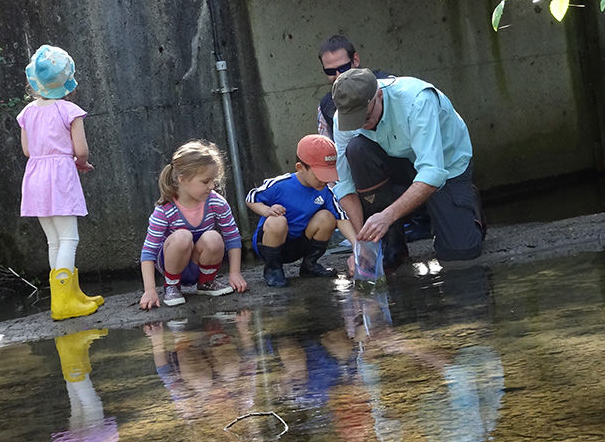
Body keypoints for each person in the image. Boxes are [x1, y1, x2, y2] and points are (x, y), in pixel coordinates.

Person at [331, 69, 485, 270]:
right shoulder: (342, 118)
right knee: (357, 149)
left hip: (445, 167)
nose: (361, 125)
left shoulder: (418, 100)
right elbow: (345, 184)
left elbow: (432, 172)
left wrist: (387, 216)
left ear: (379, 95)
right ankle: (392, 245)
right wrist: (362, 245)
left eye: (366, 117)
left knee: (460, 253)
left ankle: (468, 206)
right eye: (354, 121)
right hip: (398, 162)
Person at [18, 45, 102, 321]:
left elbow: (28, 151)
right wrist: (81, 162)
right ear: (67, 82)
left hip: (35, 177)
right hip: (60, 176)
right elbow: (81, 150)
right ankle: (65, 303)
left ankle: (65, 296)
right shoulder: (69, 110)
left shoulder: (27, 113)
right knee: (69, 238)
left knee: (53, 240)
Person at [139, 140, 247, 309]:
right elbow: (149, 251)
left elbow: (232, 235)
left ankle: (206, 283)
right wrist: (150, 290)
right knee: (182, 236)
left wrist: (235, 273)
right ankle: (172, 286)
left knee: (213, 237)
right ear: (182, 179)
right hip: (172, 263)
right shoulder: (165, 210)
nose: (211, 186)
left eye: (213, 180)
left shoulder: (216, 203)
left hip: (199, 262)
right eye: (205, 182)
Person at [246, 134, 356, 287]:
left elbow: (341, 217)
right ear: (301, 168)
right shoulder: (280, 184)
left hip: (299, 244)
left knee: (327, 217)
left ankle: (310, 265)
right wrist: (267, 210)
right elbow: (251, 198)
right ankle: (273, 269)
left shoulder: (325, 191)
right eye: (319, 175)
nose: (325, 181)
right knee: (278, 221)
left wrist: (358, 248)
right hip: (270, 244)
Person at [315, 34, 391, 136]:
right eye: (330, 71)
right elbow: (328, 147)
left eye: (344, 68)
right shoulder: (326, 107)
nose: (338, 75)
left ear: (355, 60)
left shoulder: (387, 84)